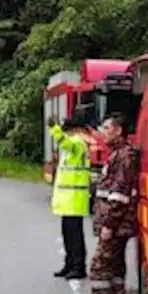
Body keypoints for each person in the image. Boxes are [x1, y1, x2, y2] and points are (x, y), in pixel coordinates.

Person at [82, 112, 139, 294]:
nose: (102, 132)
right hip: (117, 225)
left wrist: (109, 225)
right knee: (115, 269)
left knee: (99, 268)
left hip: (115, 226)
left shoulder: (123, 157)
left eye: (106, 128)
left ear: (118, 130)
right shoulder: (118, 155)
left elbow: (120, 195)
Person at [48, 114, 91, 280]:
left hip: (75, 198)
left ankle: (78, 266)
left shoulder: (78, 142)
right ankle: (70, 264)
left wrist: (54, 129)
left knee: (74, 236)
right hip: (68, 198)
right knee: (68, 234)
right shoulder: (75, 143)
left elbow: (65, 142)